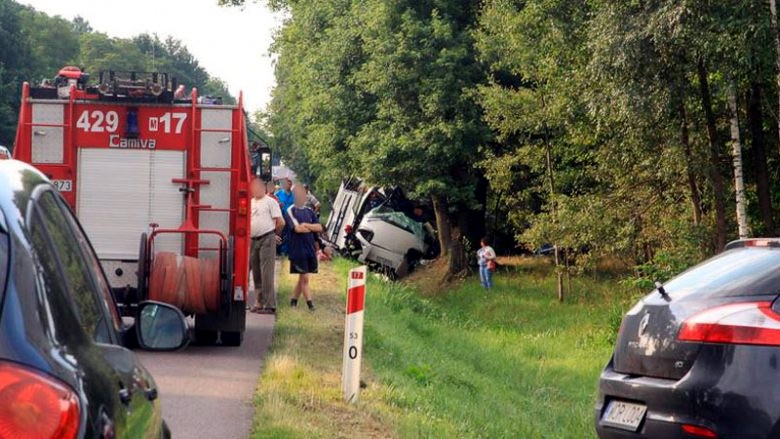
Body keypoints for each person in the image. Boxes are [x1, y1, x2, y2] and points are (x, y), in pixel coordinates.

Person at [249, 179, 284, 314]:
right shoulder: (251, 202)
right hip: (253, 240)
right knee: (256, 273)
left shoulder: (271, 201)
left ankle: (270, 305)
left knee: (266, 273)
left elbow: (281, 222)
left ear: (264, 188)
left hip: (267, 239)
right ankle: (259, 302)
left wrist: (273, 235)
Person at [285, 186, 323, 311]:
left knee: (302, 277)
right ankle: (310, 305)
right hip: (297, 249)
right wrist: (310, 227)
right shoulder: (291, 210)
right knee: (305, 277)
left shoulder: (309, 211)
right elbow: (297, 229)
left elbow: (319, 227)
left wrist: (306, 225)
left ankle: (293, 301)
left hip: (310, 248)